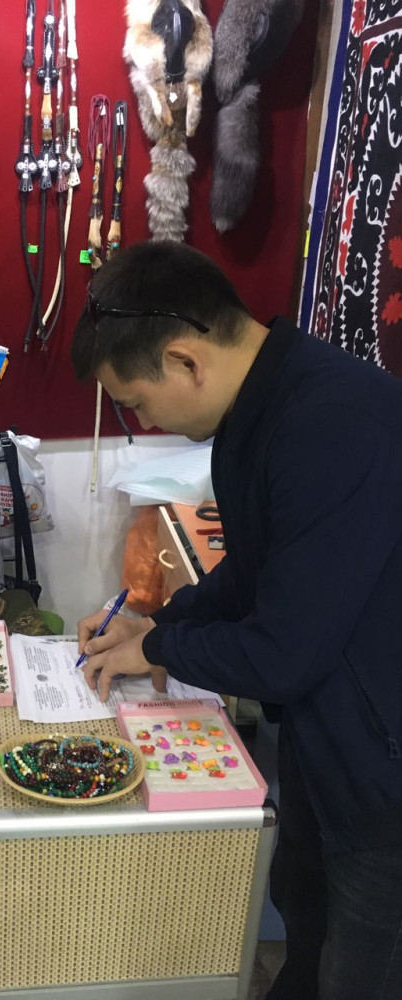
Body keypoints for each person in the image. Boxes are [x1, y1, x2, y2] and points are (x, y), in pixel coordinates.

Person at [72, 240, 402, 1000]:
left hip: (384, 774)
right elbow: (256, 571)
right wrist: (157, 624)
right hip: (330, 739)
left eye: (136, 401)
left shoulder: (334, 424)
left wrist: (163, 647)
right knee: (306, 927)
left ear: (185, 360)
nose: (140, 418)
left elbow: (284, 651)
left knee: (359, 970)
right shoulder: (261, 405)